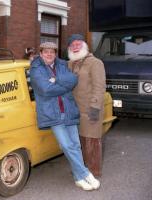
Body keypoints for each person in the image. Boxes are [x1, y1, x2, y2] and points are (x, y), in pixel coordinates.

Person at [30, 42, 100, 191]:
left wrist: (56, 80)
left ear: (55, 54)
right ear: (41, 53)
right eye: (46, 52)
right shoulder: (36, 69)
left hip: (67, 109)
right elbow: (46, 89)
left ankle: (78, 178)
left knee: (75, 144)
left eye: (52, 52)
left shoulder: (62, 65)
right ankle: (84, 173)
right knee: (67, 146)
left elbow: (73, 80)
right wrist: (63, 84)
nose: (49, 54)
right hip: (52, 113)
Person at [67, 34, 106, 177]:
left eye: (78, 44)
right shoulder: (70, 63)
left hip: (90, 109)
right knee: (78, 141)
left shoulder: (95, 62)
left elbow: (99, 86)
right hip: (74, 110)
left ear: (84, 45)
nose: (75, 47)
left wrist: (95, 108)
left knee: (92, 141)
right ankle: (80, 169)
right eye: (72, 45)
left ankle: (94, 171)